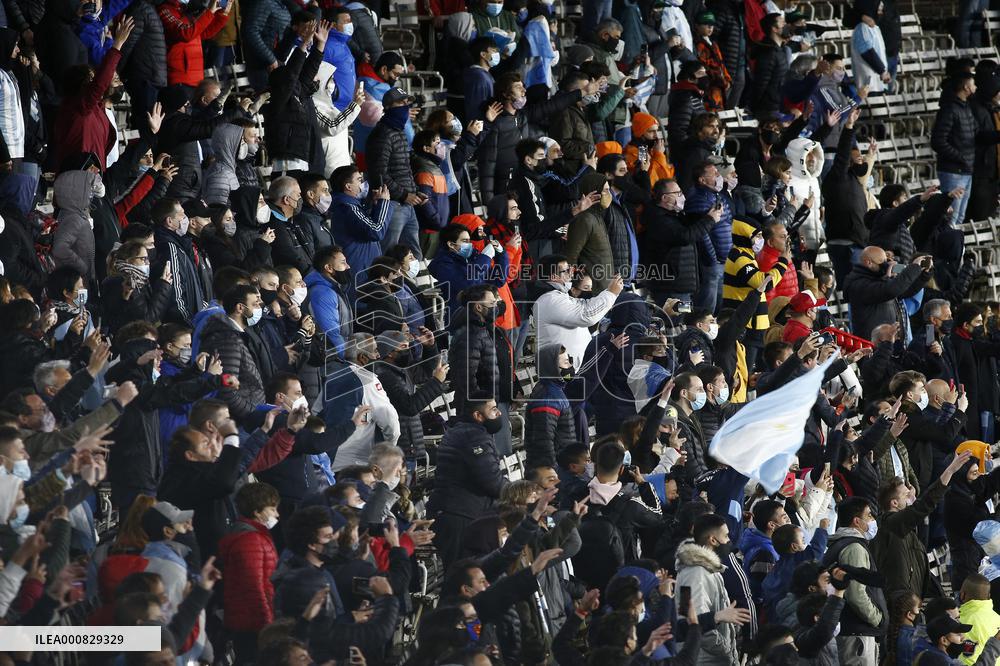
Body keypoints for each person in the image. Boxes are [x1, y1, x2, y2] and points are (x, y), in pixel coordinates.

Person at [427, 393, 508, 567]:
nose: (499, 414)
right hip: (459, 517)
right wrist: (520, 492)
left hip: (456, 513)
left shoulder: (463, 431)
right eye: (493, 410)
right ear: (478, 416)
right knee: (464, 576)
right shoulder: (473, 437)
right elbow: (492, 482)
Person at [823, 496, 887, 665]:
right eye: (869, 516)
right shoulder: (853, 548)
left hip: (853, 630)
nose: (873, 520)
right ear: (857, 521)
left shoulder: (840, 544)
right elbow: (856, 593)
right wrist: (877, 619)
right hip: (857, 633)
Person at [533, 254, 623, 371]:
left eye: (570, 268)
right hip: (561, 371)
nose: (571, 273)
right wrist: (611, 293)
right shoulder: (550, 300)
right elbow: (587, 315)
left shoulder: (559, 296)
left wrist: (610, 293)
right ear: (554, 277)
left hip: (572, 369)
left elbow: (586, 306)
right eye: (566, 271)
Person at [366, 87, 425, 257]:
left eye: (408, 103)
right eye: (402, 102)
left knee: (413, 256)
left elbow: (403, 169)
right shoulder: (381, 134)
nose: (407, 107)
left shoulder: (398, 132)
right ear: (390, 107)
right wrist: (405, 194)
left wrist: (415, 192)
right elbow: (378, 174)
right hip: (392, 205)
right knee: (389, 254)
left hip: (407, 204)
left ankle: (410, 284)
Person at [675, 513, 740, 664]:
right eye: (726, 536)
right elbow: (692, 621)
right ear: (713, 540)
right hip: (705, 659)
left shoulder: (708, 569)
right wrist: (725, 651)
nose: (729, 541)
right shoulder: (694, 574)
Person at [328, 165, 392, 282]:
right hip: (360, 272)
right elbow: (376, 231)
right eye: (359, 180)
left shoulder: (352, 206)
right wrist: (384, 203)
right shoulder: (348, 207)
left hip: (364, 269)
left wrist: (375, 206)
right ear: (348, 186)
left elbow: (367, 227)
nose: (363, 183)